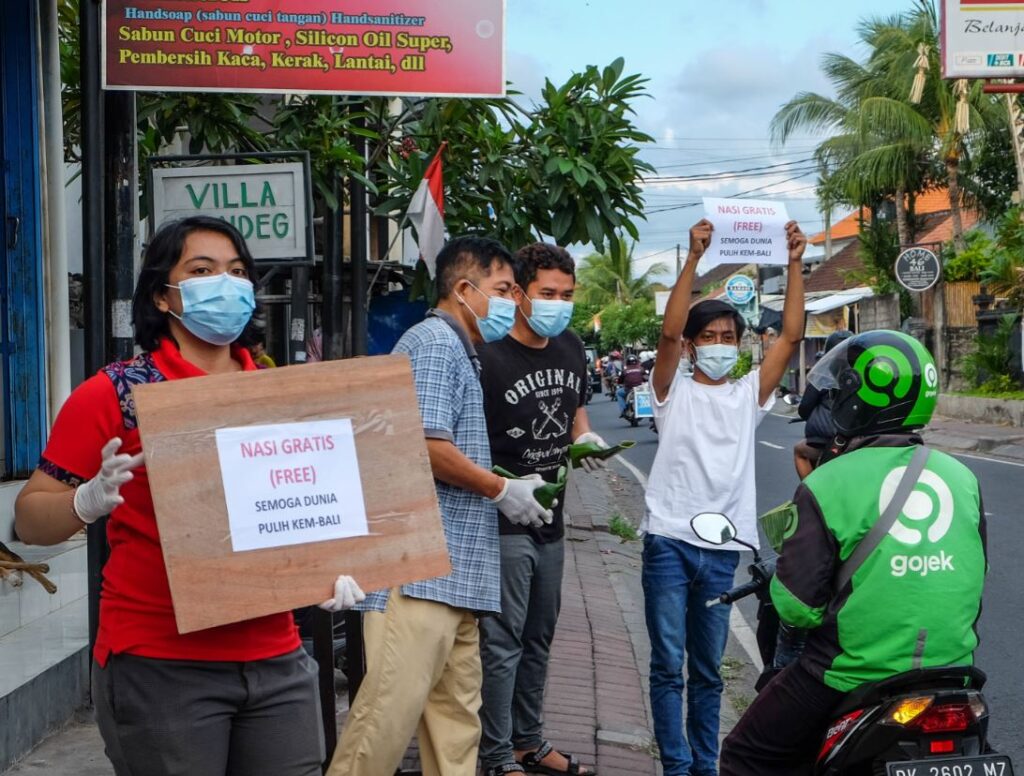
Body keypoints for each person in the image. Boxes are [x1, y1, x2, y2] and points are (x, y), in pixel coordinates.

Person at [13, 216, 364, 776]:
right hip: (160, 665)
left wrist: (328, 569)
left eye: (237, 271)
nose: (226, 283)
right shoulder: (117, 393)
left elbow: (308, 506)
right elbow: (29, 521)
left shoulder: (280, 392)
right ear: (162, 294)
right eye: (202, 271)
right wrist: (88, 502)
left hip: (278, 659)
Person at [327, 236, 553, 776]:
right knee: (383, 722)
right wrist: (500, 490)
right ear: (463, 288)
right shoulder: (433, 342)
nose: (512, 303)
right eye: (502, 289)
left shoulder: (460, 349)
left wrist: (502, 487)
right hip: (417, 576)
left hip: (455, 575)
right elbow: (425, 444)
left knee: (456, 730)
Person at [720, 331, 987, 775]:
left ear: (856, 400)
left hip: (849, 672)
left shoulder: (828, 482)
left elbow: (797, 608)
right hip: (954, 671)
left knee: (744, 755)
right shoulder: (962, 478)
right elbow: (974, 579)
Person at [643, 218, 807, 776]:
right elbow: (665, 335)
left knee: (709, 670)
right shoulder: (669, 390)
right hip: (668, 541)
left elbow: (789, 337)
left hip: (722, 551)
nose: (718, 346)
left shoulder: (747, 395)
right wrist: (693, 257)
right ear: (690, 347)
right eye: (707, 338)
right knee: (668, 665)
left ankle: (705, 767)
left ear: (739, 345)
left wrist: (792, 263)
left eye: (727, 338)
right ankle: (675, 765)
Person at [477, 243, 606, 776]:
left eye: (567, 295)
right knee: (502, 642)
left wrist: (587, 438)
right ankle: (497, 753)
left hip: (551, 515)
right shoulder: (488, 352)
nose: (558, 304)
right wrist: (500, 489)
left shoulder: (571, 346)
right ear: (521, 293)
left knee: (539, 634)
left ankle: (529, 739)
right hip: (500, 515)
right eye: (547, 294)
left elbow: (575, 409)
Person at [792, 329, 852, 479]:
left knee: (799, 451)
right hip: (859, 438)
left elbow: (805, 408)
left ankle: (811, 493)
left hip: (827, 440)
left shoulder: (823, 375)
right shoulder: (863, 373)